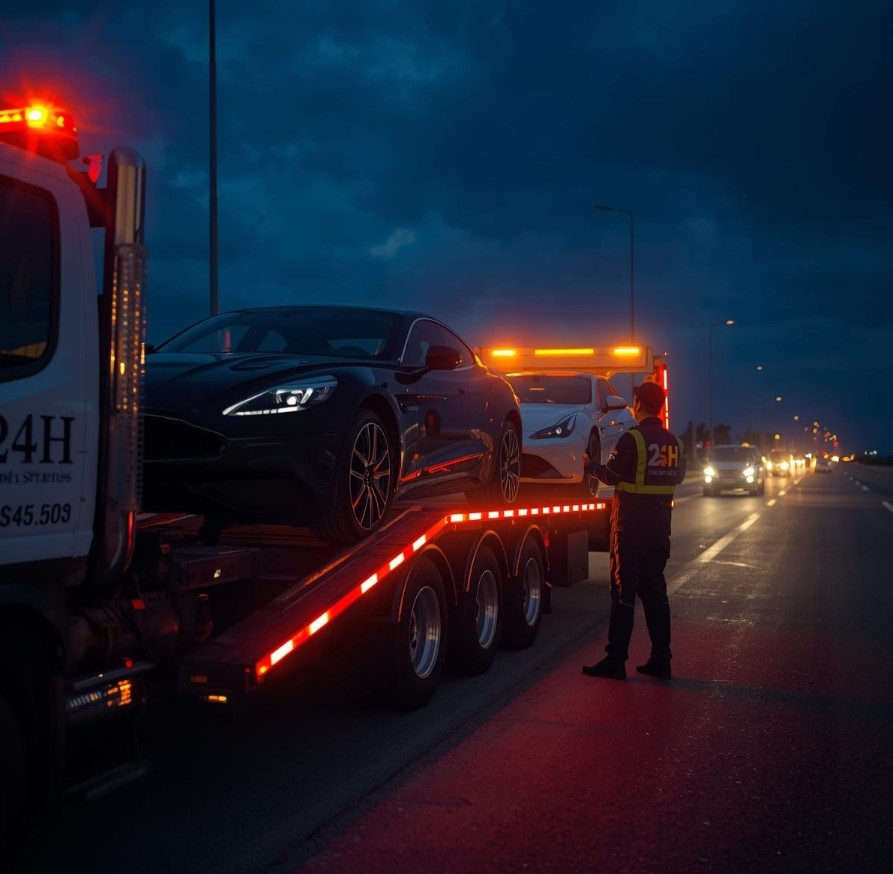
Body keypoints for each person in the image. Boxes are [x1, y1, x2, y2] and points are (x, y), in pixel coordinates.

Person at [581, 380, 686, 680]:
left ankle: (615, 661)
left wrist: (589, 465)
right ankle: (661, 660)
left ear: (638, 405)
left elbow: (611, 474)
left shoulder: (633, 439)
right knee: (655, 594)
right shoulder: (674, 443)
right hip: (659, 530)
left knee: (623, 595)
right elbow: (678, 477)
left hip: (630, 530)